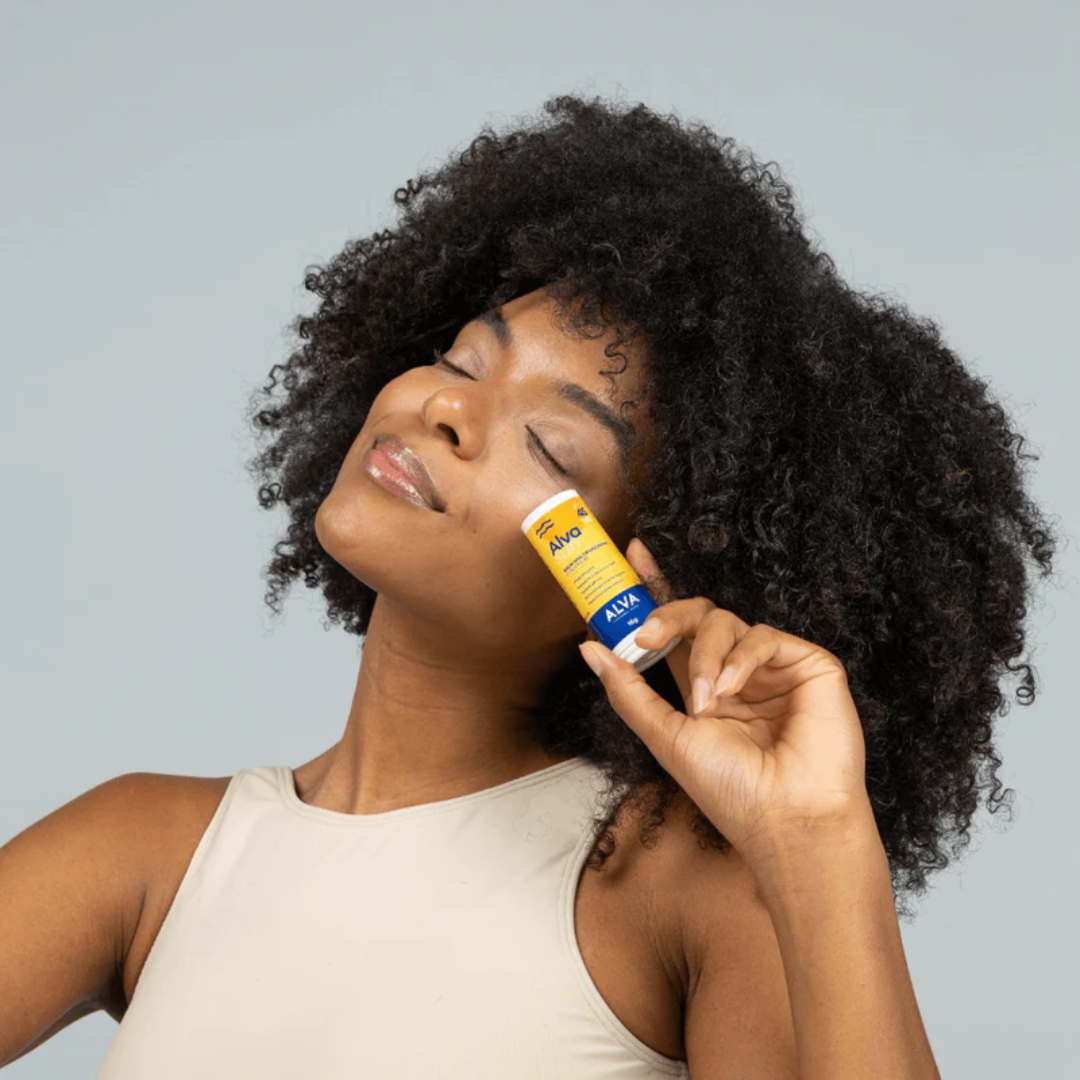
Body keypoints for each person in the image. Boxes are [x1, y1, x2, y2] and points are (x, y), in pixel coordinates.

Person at [1, 93, 1058, 1077]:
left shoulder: (668, 893)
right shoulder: (148, 850)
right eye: (463, 362)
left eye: (551, 447)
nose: (445, 411)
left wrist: (819, 843)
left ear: (640, 578)